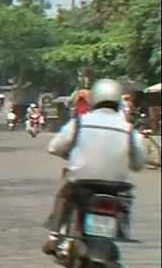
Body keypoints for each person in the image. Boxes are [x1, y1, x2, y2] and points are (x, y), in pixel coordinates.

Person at [42, 79, 145, 253]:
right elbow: (138, 162)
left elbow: (55, 147)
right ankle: (117, 231)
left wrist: (66, 154)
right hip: (116, 184)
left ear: (94, 98)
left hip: (82, 180)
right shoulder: (127, 128)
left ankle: (54, 235)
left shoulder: (81, 122)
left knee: (64, 194)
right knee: (124, 202)